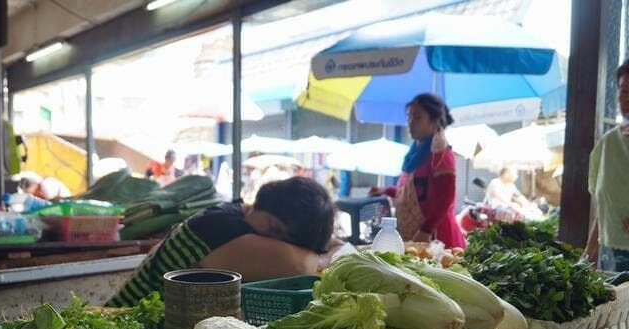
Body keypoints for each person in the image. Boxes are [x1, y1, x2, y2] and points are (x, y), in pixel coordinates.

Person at [107, 176, 337, 307]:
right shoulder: (223, 230)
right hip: (124, 324)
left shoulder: (232, 213)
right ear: (259, 203)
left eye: (288, 241)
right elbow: (301, 267)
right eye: (274, 228)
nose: (274, 242)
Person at [369, 94, 466, 248]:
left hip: (436, 237)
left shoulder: (440, 154)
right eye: (409, 117)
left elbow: (445, 198)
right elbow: (412, 193)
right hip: (412, 233)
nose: (410, 123)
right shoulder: (415, 154)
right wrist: (386, 190)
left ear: (434, 121)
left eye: (417, 117)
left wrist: (426, 230)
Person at [586, 58, 629, 270]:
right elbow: (603, 205)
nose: (626, 98)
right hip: (609, 254)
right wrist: (590, 250)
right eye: (624, 90)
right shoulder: (608, 143)